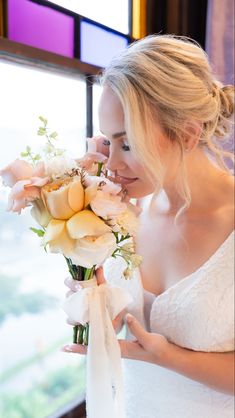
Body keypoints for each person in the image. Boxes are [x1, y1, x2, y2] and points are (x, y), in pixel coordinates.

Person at [62, 34, 234, 417]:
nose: (112, 166)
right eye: (109, 141)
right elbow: (120, 320)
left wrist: (168, 357)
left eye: (128, 144)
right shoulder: (122, 212)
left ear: (187, 134)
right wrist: (95, 300)